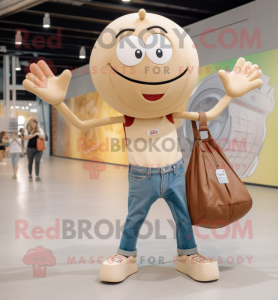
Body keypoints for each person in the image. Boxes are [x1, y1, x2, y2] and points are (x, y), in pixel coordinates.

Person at [23, 9, 262, 283]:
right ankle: (126, 255)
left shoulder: (171, 114)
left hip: (174, 173)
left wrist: (230, 94)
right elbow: (81, 124)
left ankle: (188, 254)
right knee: (134, 218)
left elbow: (209, 115)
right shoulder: (128, 118)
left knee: (183, 217)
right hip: (141, 176)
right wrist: (57, 102)